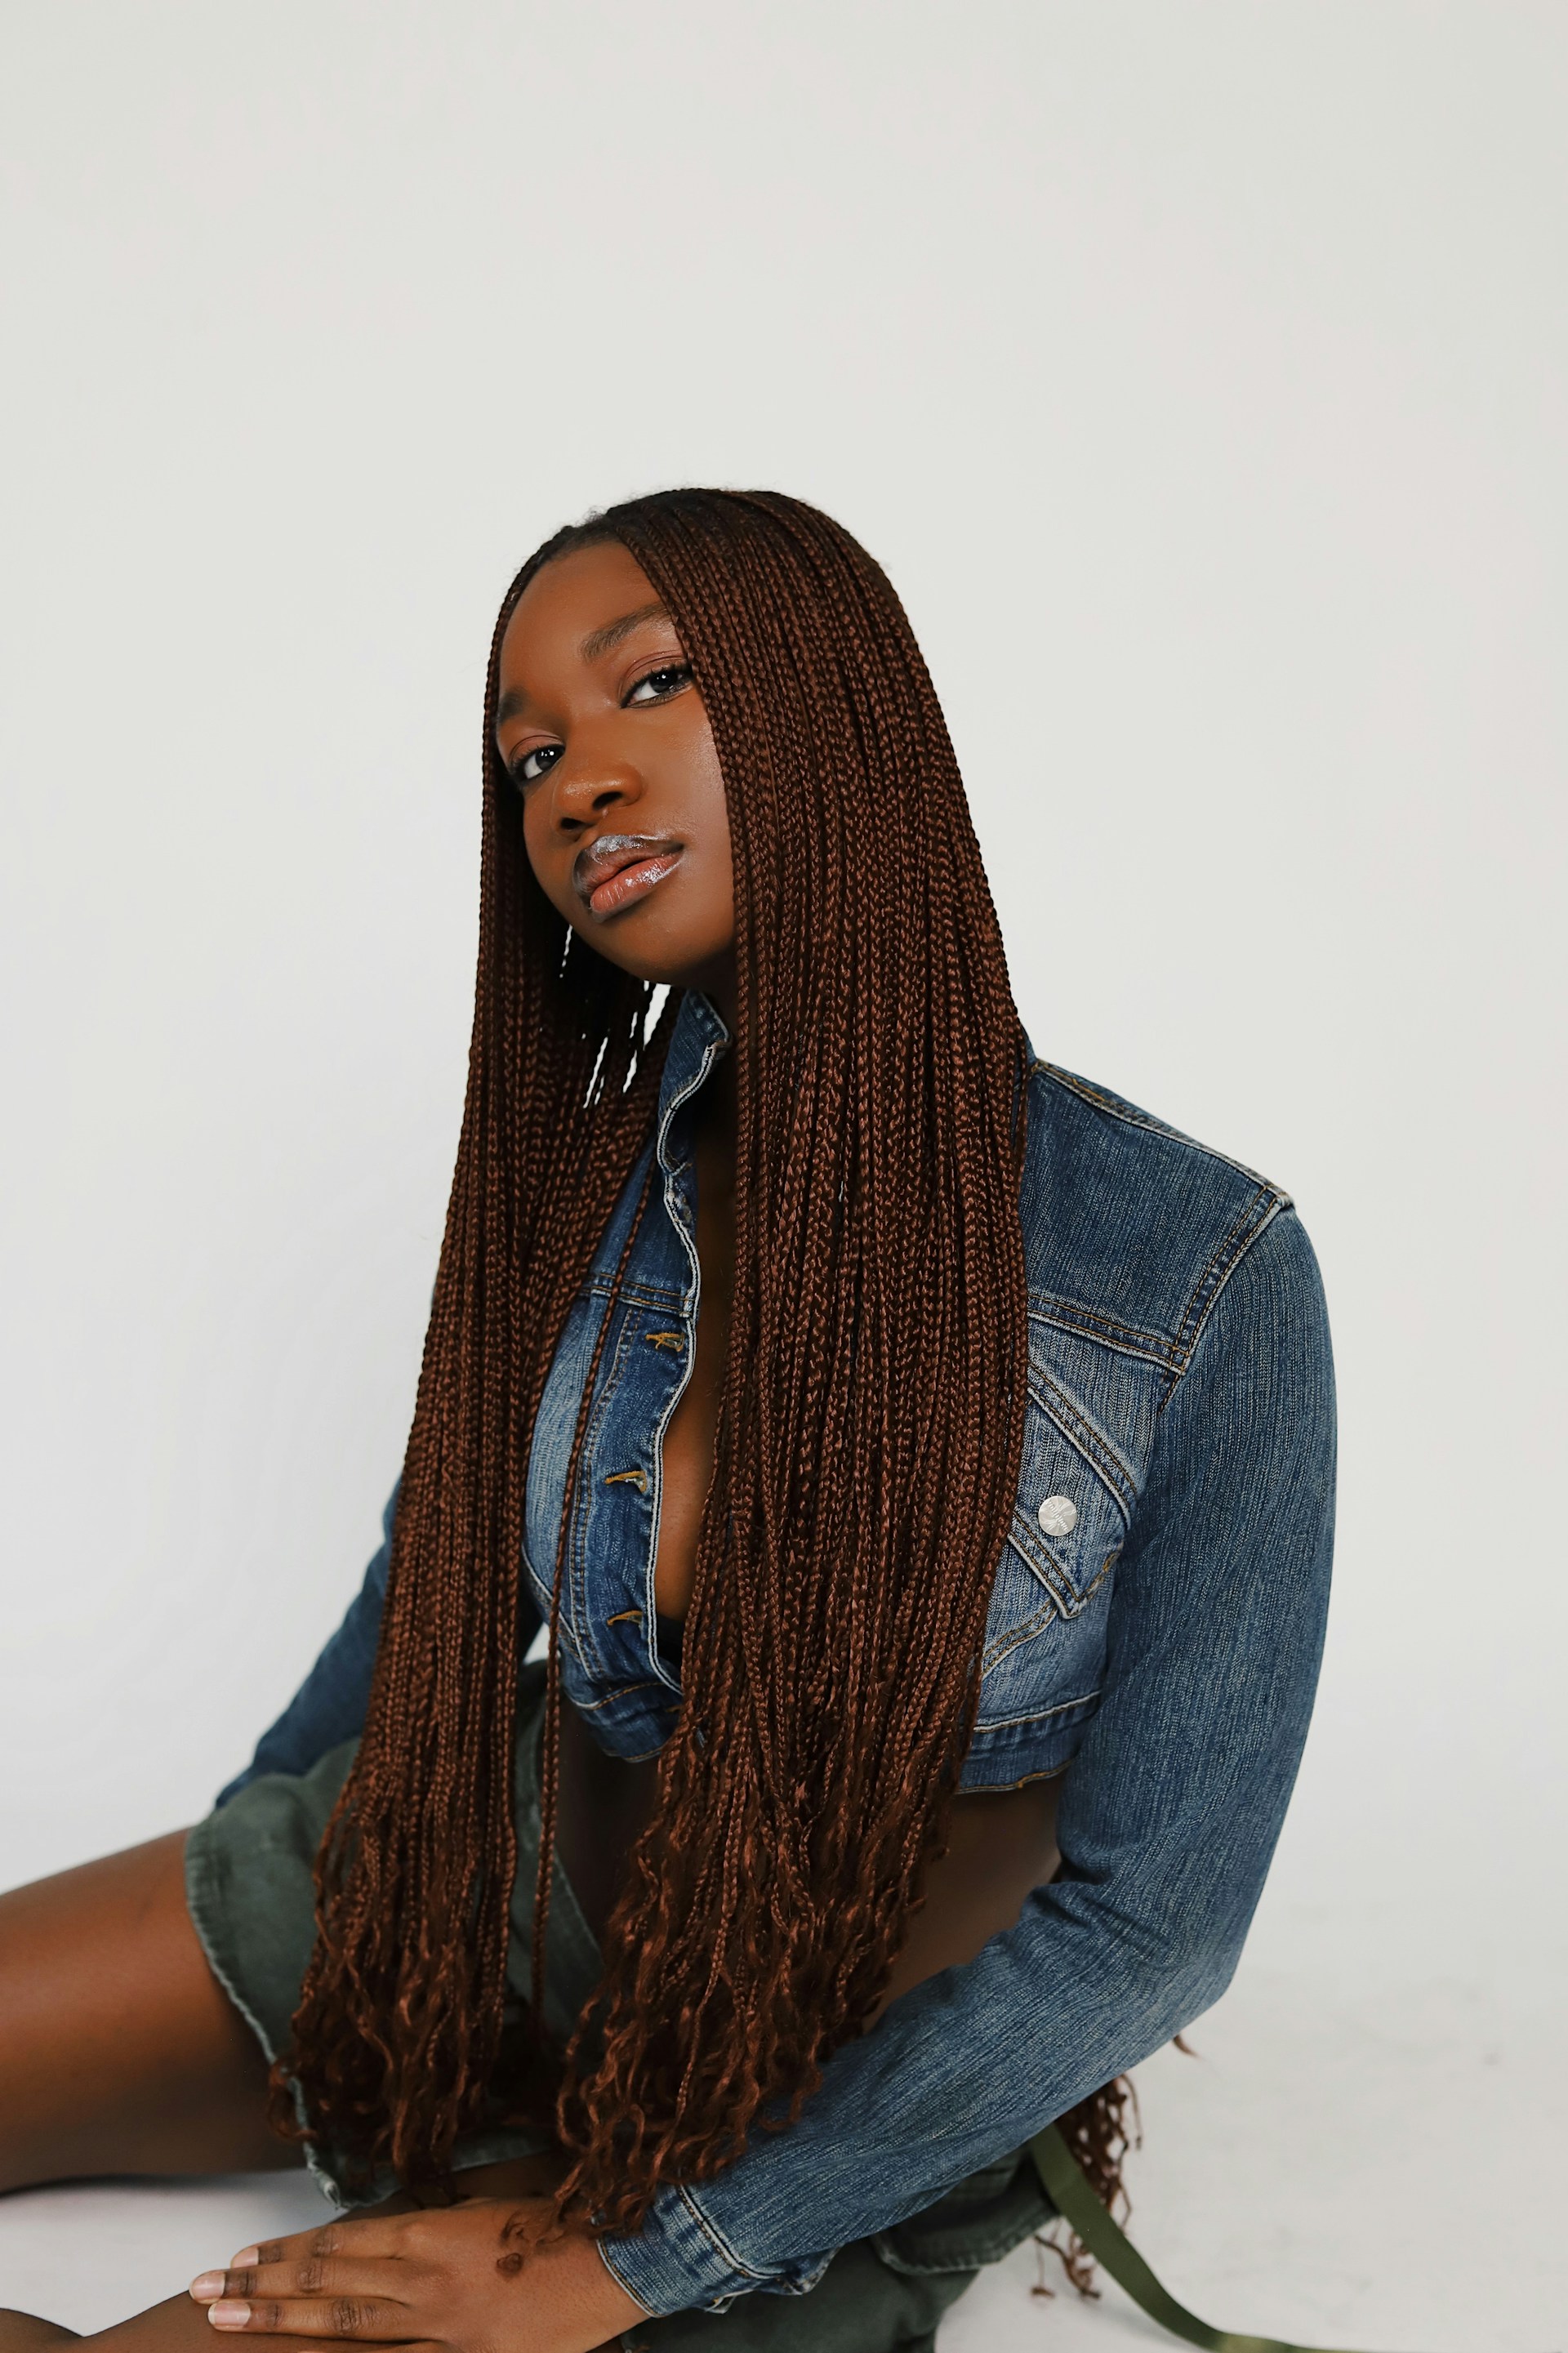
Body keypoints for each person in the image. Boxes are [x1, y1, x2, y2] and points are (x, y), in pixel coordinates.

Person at [0, 490, 1335, 2353]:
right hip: (478, 1908)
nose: (572, 786)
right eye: (533, 751)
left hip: (805, 2102)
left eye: (649, 687)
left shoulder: (1198, 1272)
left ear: (826, 700)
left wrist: (645, 2257)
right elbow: (437, 1577)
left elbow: (1151, 1926)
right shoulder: (585, 1192)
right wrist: (286, 1921)